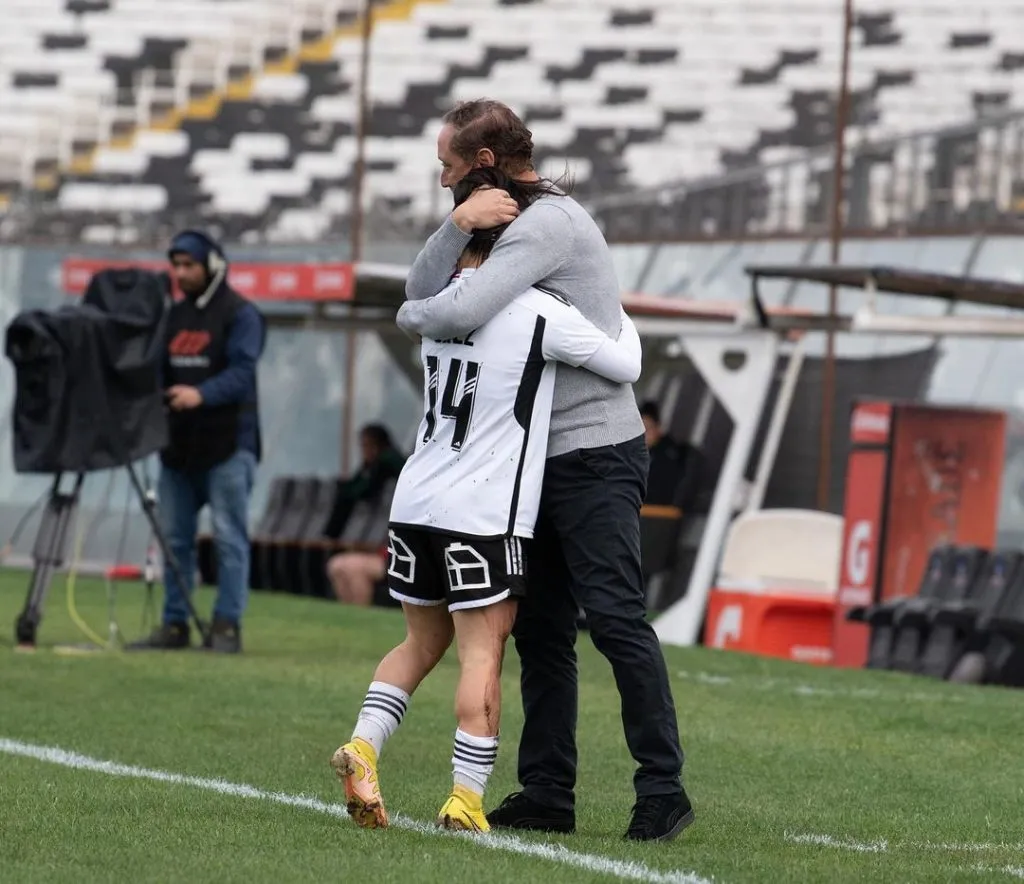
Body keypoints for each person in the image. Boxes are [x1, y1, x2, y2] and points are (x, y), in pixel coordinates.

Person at [396, 99, 693, 842]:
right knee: (543, 631)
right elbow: (426, 286)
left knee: (617, 619)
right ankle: (547, 792)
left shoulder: (548, 225)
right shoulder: (497, 220)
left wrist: (418, 307)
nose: (443, 180)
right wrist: (454, 229)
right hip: (533, 462)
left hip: (594, 454)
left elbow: (453, 310)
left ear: (485, 165)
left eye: (449, 168)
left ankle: (663, 789)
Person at [331, 167, 643, 834]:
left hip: (416, 499)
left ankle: (362, 745)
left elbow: (413, 308)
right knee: (482, 653)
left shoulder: (438, 306)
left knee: (419, 642)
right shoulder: (537, 311)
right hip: (483, 512)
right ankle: (464, 799)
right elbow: (625, 365)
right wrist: (620, 316)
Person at [127, 230, 266, 654]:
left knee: (228, 538)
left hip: (229, 447)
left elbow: (243, 373)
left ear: (213, 265)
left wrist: (199, 395)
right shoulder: (172, 316)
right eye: (177, 265)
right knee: (175, 542)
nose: (181, 273)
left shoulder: (241, 314)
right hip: (178, 450)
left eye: (189, 264)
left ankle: (227, 626)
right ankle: (174, 625)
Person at [326, 424, 406, 606]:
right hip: (377, 549)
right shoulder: (370, 469)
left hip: (393, 555)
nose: (364, 451)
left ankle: (361, 613)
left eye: (367, 445)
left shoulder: (388, 465)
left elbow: (361, 490)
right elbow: (354, 489)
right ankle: (350, 617)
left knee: (351, 568)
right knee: (337, 565)